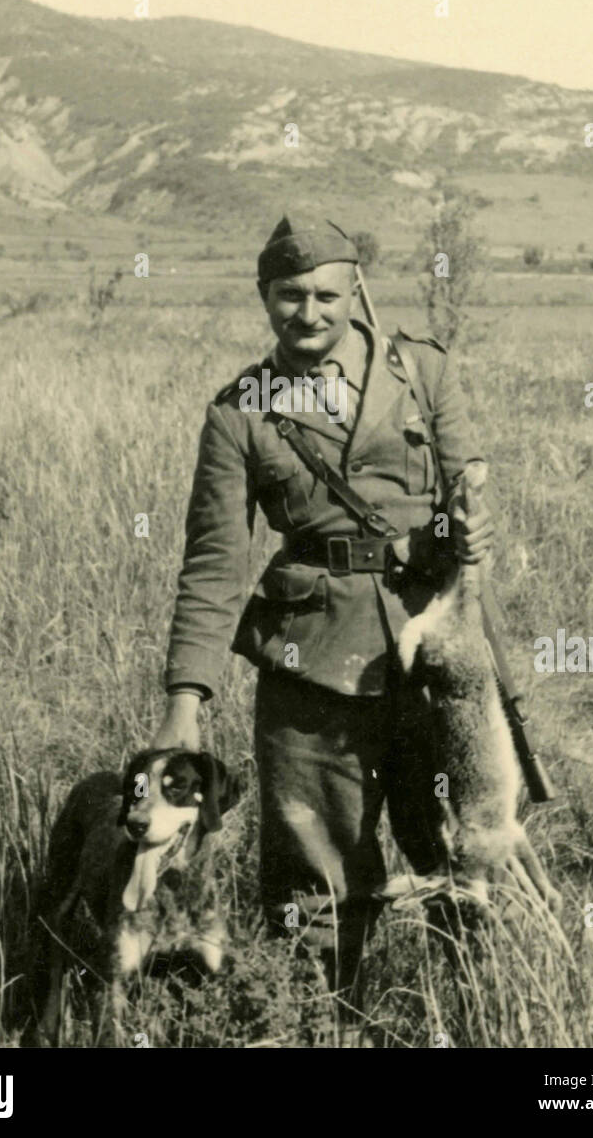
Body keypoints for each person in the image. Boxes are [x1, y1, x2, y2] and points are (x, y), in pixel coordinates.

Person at [153, 215, 493, 1043]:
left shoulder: (422, 372)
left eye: (327, 295)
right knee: (312, 887)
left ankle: (477, 1020)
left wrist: (471, 526)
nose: (309, 313)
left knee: (465, 855)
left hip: (435, 652)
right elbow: (213, 562)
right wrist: (185, 697)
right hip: (311, 665)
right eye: (290, 296)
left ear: (355, 291)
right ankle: (316, 1027)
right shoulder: (238, 414)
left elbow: (468, 479)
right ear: (264, 297)